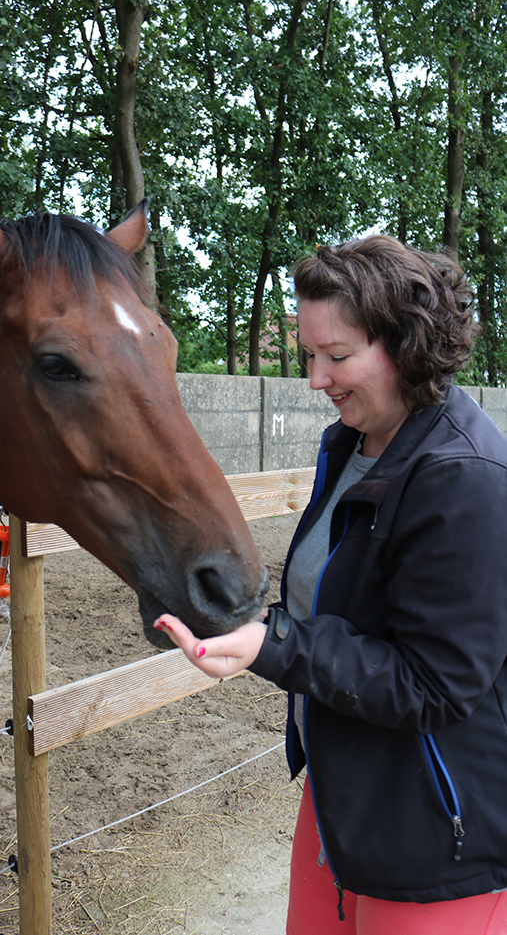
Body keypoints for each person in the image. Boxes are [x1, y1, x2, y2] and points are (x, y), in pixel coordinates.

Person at [154, 235, 507, 935]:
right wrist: (249, 629)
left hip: (433, 832)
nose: (315, 377)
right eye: (309, 354)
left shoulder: (462, 478)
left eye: (336, 356)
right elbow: (341, 603)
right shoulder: (351, 444)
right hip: (340, 795)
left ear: (405, 345)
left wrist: (272, 642)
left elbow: (434, 683)